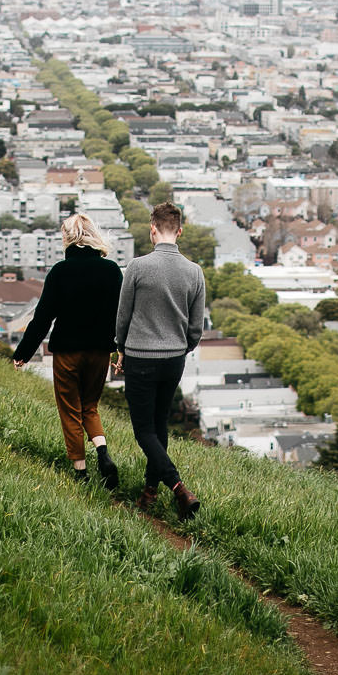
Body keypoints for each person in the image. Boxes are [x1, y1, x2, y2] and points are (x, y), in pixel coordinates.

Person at [11, 214, 123, 488]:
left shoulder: (60, 272)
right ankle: (102, 452)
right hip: (100, 351)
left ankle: (81, 472)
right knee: (90, 407)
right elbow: (120, 316)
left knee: (70, 410)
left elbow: (42, 318)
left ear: (68, 238)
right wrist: (120, 348)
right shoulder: (111, 271)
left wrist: (23, 352)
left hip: (67, 352)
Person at [114, 201, 207, 517]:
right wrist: (182, 348)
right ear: (179, 232)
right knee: (158, 425)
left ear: (152, 229)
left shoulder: (137, 267)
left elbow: (123, 316)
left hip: (140, 357)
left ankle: (178, 488)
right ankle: (149, 493)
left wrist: (121, 347)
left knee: (144, 431)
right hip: (174, 360)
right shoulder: (194, 272)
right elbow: (196, 327)